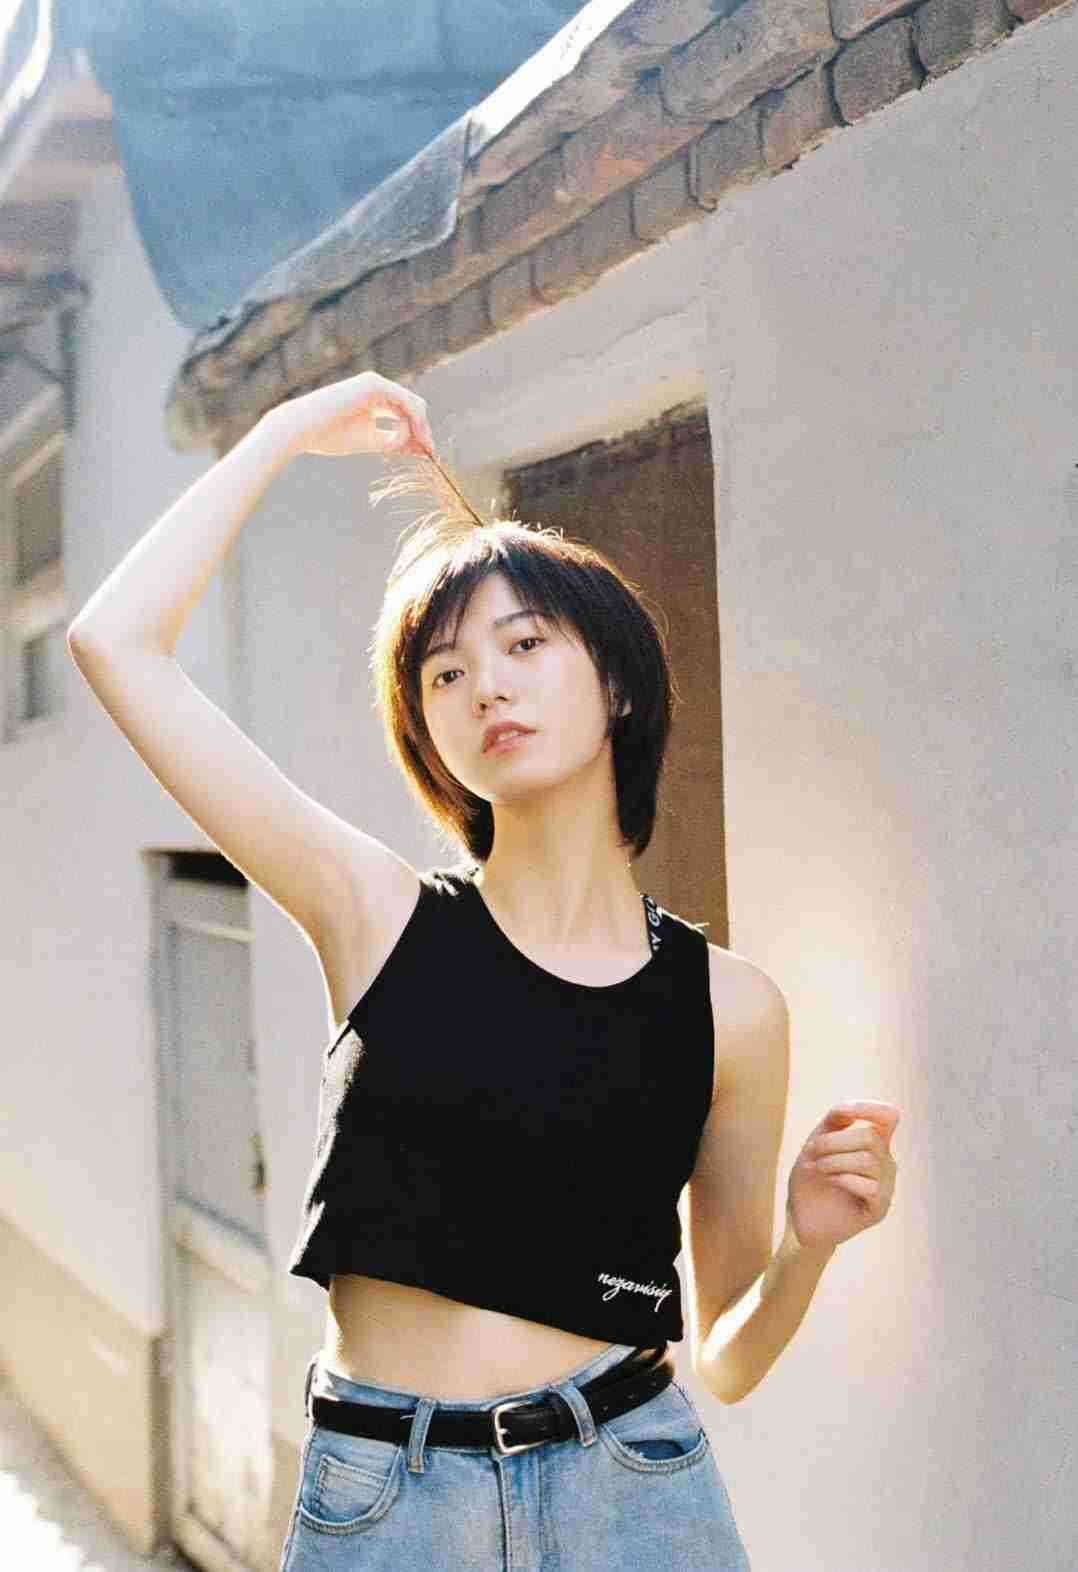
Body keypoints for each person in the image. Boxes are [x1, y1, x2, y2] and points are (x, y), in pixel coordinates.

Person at [68, 371, 901, 1570]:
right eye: (445, 672)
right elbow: (114, 643)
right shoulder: (374, 913)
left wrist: (807, 1243)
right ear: (428, 730)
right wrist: (283, 432)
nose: (487, 686)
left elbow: (725, 1358)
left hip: (632, 1487)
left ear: (616, 684)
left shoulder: (731, 1007)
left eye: (523, 644)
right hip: (392, 1498)